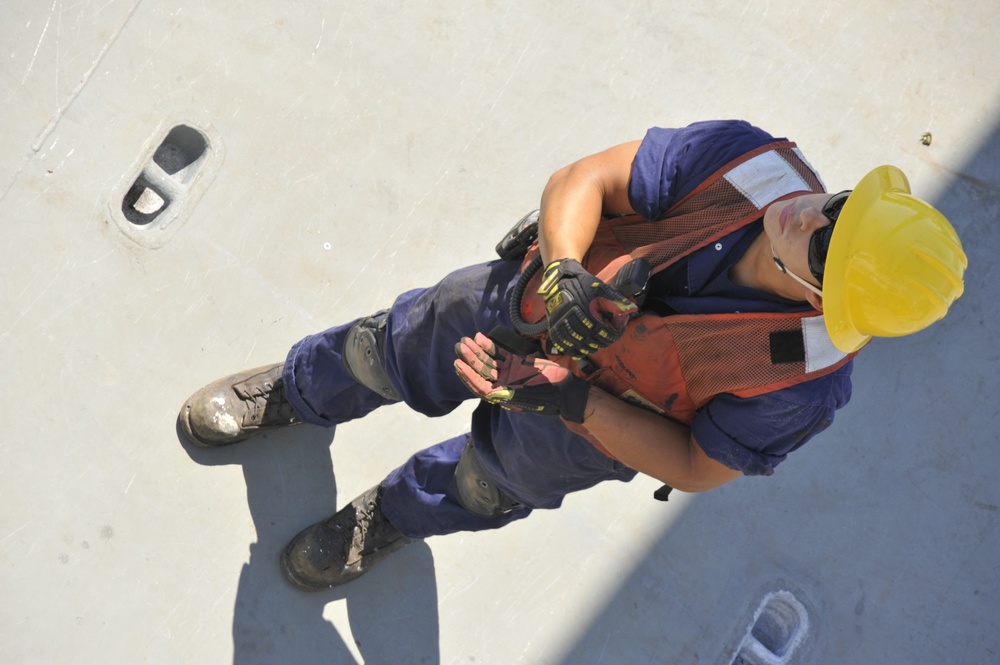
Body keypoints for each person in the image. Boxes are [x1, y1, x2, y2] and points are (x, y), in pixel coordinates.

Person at [178, 120, 967, 591]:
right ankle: (299, 389)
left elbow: (695, 465)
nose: (807, 215)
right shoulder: (752, 164)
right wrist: (564, 275)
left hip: (590, 423)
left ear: (828, 302)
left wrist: (570, 400)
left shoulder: (799, 384)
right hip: (523, 302)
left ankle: (390, 515)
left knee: (486, 484)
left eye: (826, 247)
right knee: (390, 346)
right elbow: (584, 178)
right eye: (842, 206)